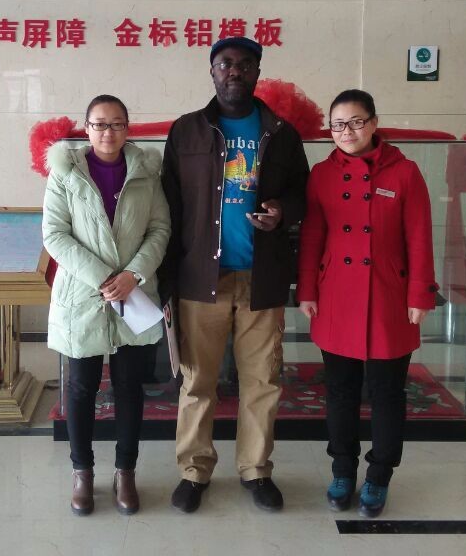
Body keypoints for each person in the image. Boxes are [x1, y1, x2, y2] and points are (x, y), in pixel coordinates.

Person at [159, 36, 310, 514]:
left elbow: (305, 195)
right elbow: (169, 208)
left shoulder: (281, 132)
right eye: (225, 64)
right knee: (197, 380)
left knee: (261, 381)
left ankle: (255, 470)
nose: (235, 72)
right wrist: (167, 279)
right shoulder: (186, 132)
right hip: (200, 278)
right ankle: (193, 471)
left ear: (257, 73)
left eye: (245, 65)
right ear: (212, 70)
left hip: (260, 278)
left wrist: (282, 211)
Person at [296, 89, 438, 517]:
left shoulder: (405, 173)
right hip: (336, 297)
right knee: (339, 392)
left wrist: (419, 295)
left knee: (387, 393)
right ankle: (342, 470)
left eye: (356, 122)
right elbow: (312, 237)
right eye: (338, 125)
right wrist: (306, 290)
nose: (347, 132)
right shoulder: (321, 174)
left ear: (374, 123)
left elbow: (419, 238)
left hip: (389, 299)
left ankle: (379, 476)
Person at [42, 95, 170, 517]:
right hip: (84, 294)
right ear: (86, 127)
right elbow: (55, 235)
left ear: (128, 127)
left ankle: (125, 471)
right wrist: (103, 277)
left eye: (116, 124)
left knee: (131, 387)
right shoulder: (65, 172)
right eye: (99, 124)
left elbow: (159, 228)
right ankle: (82, 472)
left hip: (134, 294)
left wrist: (133, 275)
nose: (107, 132)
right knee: (80, 388)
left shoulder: (147, 172)